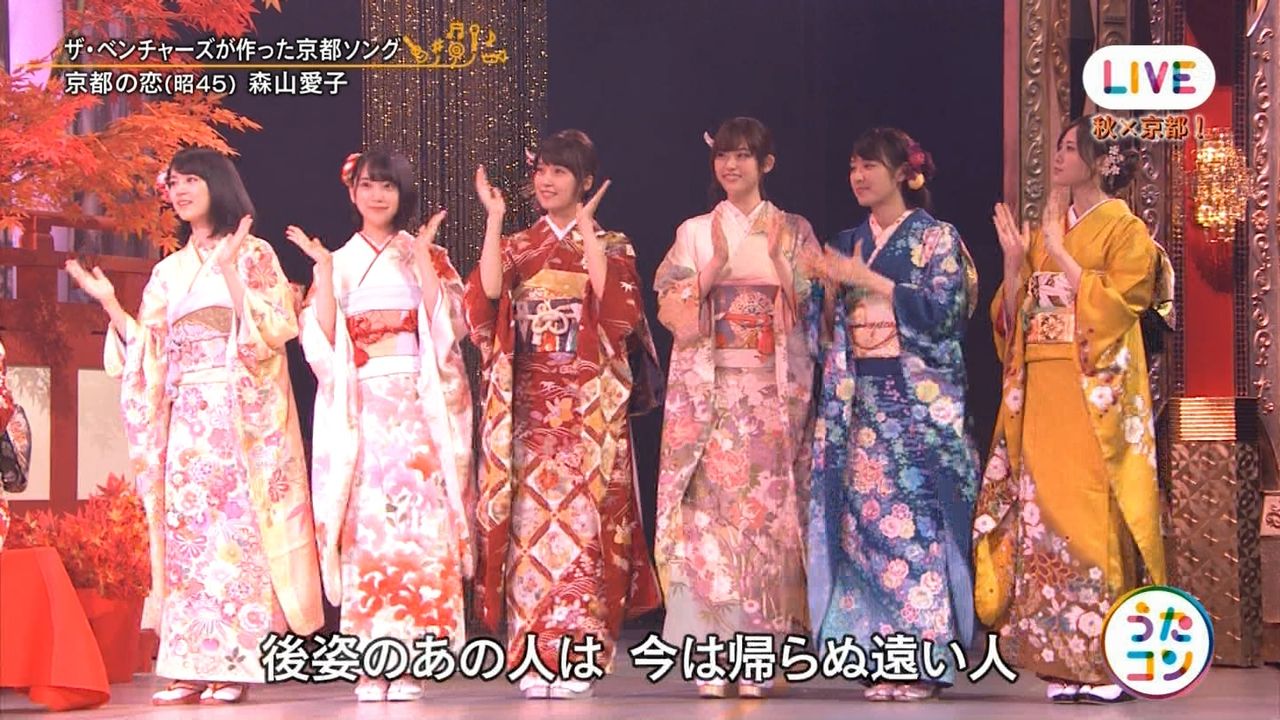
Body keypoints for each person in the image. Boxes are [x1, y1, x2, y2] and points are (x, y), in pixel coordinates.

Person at [65, 148, 323, 706]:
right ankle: (187, 664)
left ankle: (234, 665)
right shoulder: (168, 270)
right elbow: (149, 350)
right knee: (188, 540)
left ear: (217, 184)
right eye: (174, 183)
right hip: (188, 422)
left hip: (238, 415)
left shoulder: (254, 252)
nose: (179, 192)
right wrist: (110, 304)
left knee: (236, 539)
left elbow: (275, 328)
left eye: (190, 181)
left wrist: (229, 269)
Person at [974, 116, 1165, 704]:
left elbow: (1120, 308)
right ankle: (1059, 661)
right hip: (1044, 394)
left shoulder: (1125, 229)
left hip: (1091, 396)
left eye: (1069, 147)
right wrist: (1015, 262)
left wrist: (1060, 252)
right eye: (1057, 146)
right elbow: (1015, 323)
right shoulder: (1047, 230)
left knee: (1092, 520)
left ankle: (1104, 662)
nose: (1058, 156)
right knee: (1043, 519)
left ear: (1102, 160)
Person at [464, 130, 661, 699]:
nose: (546, 181)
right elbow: (487, 299)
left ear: (586, 182)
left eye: (560, 172)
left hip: (586, 408)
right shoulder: (520, 243)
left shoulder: (614, 244)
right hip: (528, 404)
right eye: (541, 171)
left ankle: (578, 654)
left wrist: (589, 233)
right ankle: (532, 655)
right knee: (528, 528)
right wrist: (494, 221)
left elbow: (618, 312)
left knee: (584, 531)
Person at [288, 149, 473, 702]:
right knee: (366, 531)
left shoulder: (425, 254)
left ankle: (413, 660)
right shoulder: (340, 261)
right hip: (362, 409)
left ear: (402, 194)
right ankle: (371, 659)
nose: (376, 195)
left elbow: (449, 327)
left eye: (387, 186)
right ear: (352, 192)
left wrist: (424, 259)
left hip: (416, 406)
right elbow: (322, 345)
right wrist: (322, 274)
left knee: (419, 530)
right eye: (367, 185)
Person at [806, 128, 980, 702]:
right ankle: (881, 657)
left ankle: (922, 661)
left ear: (904, 172)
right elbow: (821, 333)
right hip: (860, 407)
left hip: (913, 413)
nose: (858, 177)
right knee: (864, 535)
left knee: (916, 534)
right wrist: (823, 289)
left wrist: (870, 280)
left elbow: (945, 314)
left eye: (870, 166)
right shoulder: (847, 240)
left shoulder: (936, 239)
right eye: (853, 166)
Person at [652, 117, 817, 699]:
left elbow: (812, 307)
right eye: (724, 155)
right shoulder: (695, 232)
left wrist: (779, 264)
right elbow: (672, 311)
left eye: (744, 156)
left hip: (769, 398)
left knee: (767, 526)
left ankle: (760, 655)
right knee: (707, 526)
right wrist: (713, 271)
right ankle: (711, 654)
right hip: (712, 400)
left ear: (766, 164)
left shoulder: (793, 229)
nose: (731, 165)